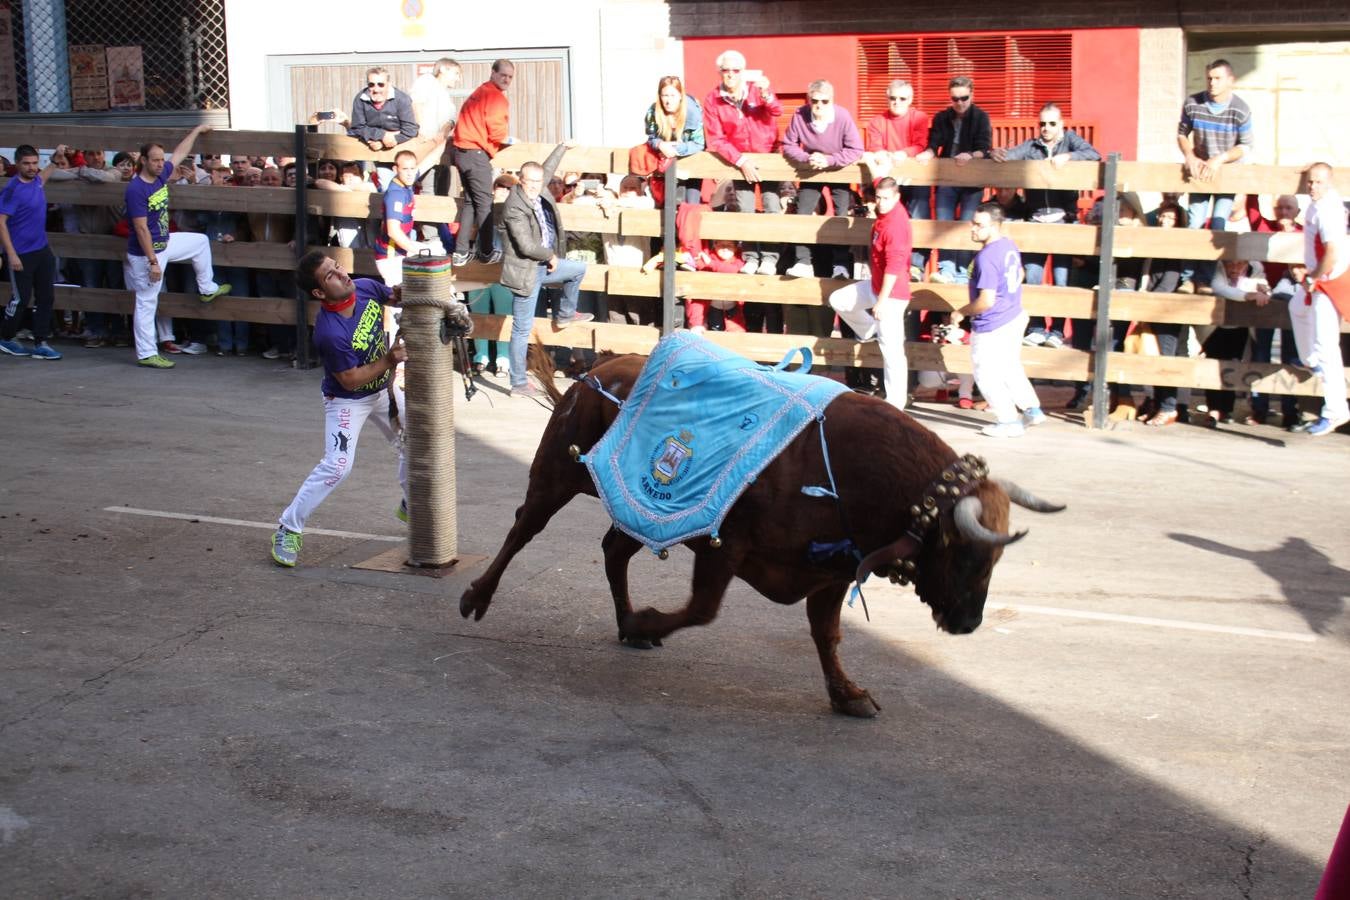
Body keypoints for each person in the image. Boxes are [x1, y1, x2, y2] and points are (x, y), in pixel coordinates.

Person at [270, 252, 408, 568]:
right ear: (319, 293)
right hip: (348, 401)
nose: (342, 274)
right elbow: (348, 380)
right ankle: (288, 527)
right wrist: (389, 360)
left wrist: (413, 286)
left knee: (418, 443)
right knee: (337, 466)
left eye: (338, 267)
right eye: (331, 275)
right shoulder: (330, 332)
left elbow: (396, 297)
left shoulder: (365, 288)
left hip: (383, 390)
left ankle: (410, 503)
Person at [990, 102, 1101, 345]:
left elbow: (1094, 154)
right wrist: (995, 153)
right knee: (1033, 278)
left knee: (1061, 282)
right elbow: (1008, 156)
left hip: (1063, 221)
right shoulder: (1032, 146)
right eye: (1042, 123)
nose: (1046, 128)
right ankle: (1038, 328)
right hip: (1036, 220)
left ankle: (1058, 332)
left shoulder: (1071, 141)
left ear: (1061, 124)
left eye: (1051, 123)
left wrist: (1069, 156)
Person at [123, 126, 231, 369]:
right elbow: (140, 229)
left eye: (162, 160)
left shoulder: (160, 176)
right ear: (143, 161)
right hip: (146, 253)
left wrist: (197, 130)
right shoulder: (136, 189)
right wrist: (152, 262)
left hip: (165, 242)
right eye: (155, 160)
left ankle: (206, 288)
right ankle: (147, 353)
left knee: (200, 242)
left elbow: (180, 153)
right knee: (146, 301)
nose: (161, 164)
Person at [499, 141, 594, 399]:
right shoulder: (515, 205)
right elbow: (526, 245)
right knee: (521, 328)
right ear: (520, 180)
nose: (534, 186)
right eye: (529, 181)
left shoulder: (538, 185)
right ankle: (518, 383)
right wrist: (550, 255)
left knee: (578, 270)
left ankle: (564, 314)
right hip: (526, 272)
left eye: (538, 181)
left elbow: (547, 168)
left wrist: (563, 147)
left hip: (542, 266)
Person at [950, 203, 1045, 437]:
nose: (972, 229)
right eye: (973, 223)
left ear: (993, 227)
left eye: (979, 225)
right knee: (1010, 366)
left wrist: (961, 312)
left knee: (985, 372)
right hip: (1014, 314)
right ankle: (1031, 409)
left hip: (993, 322)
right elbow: (1020, 273)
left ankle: (1008, 421)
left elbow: (986, 301)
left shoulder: (987, 257)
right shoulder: (1008, 245)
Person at [827, 176, 912, 409]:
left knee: (892, 350)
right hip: (875, 285)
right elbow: (879, 176)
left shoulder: (895, 226)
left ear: (897, 198)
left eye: (886, 199)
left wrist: (882, 302)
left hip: (892, 294)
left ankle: (896, 402)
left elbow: (894, 267)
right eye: (878, 198)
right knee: (839, 300)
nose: (881, 203)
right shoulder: (885, 213)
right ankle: (867, 329)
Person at [703, 49, 783, 279]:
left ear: (742, 72)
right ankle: (750, 257)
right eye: (725, 70)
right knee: (744, 209)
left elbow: (777, 110)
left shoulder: (757, 90)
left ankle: (769, 258)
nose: (730, 75)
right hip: (738, 159)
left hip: (767, 155)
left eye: (735, 70)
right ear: (719, 72)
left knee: (771, 207)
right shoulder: (713, 98)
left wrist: (766, 93)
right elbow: (716, 138)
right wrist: (740, 160)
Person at [1176, 59, 1253, 292]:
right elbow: (1181, 133)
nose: (1212, 82)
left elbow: (1246, 146)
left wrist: (1220, 159)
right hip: (1200, 171)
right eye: (1209, 77)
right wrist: (1189, 155)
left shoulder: (1240, 109)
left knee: (1218, 226)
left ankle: (1205, 280)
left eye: (1218, 78)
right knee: (1195, 222)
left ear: (1231, 81)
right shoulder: (1193, 103)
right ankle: (1187, 279)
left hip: (1225, 172)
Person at [782, 79, 864, 284]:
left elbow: (856, 149)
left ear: (832, 101)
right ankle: (803, 262)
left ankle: (841, 265)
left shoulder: (842, 116)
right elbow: (788, 144)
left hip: (838, 170)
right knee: (803, 212)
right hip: (811, 170)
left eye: (824, 101)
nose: (818, 105)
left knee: (841, 215)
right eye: (815, 100)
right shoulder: (800, 114)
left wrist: (830, 160)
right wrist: (806, 158)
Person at [1292, 162, 1350, 436]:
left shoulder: (1328, 211)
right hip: (1323, 277)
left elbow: (1332, 252)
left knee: (1326, 344)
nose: (1312, 187)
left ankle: (1336, 409)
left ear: (1329, 183)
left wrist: (1313, 276)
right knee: (1296, 307)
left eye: (1318, 182)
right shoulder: (1320, 202)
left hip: (1330, 280)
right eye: (1310, 182)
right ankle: (1310, 360)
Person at [917, 76, 992, 284]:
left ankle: (961, 273)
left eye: (964, 98)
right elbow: (935, 142)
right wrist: (929, 152)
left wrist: (971, 155)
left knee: (969, 224)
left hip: (973, 180)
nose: (959, 103)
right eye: (955, 99)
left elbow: (984, 147)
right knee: (944, 223)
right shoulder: (942, 117)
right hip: (948, 177)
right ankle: (947, 269)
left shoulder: (981, 117)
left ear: (972, 95)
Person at [0, 143, 69, 359]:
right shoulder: (12, 189)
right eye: (26, 164)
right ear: (17, 164)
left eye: (34, 163)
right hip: (20, 253)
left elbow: (47, 172)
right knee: (20, 298)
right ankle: (6, 336)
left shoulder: (37, 181)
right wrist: (11, 254)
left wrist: (57, 157)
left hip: (41, 249)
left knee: (46, 296)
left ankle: (41, 342)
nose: (31, 167)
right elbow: (1, 222)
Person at [863, 79, 931, 279]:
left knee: (918, 216)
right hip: (889, 182)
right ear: (887, 97)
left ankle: (916, 266)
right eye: (892, 98)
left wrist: (904, 153)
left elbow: (921, 144)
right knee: (887, 223)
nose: (897, 102)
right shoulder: (877, 121)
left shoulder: (919, 117)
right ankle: (883, 265)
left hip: (914, 178)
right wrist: (881, 153)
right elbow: (874, 147)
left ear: (910, 99)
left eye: (902, 98)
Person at [451, 59, 514, 266]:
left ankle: (461, 252)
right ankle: (486, 251)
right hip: (476, 154)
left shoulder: (480, 91)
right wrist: (508, 140)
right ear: (493, 73)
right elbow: (497, 130)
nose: (506, 79)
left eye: (510, 77)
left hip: (461, 152)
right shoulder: (496, 97)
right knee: (485, 204)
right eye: (503, 74)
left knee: (471, 202)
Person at [373, 149, 431, 289]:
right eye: (405, 169)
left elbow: (429, 161)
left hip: (400, 252)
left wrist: (445, 138)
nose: (410, 173)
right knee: (399, 300)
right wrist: (415, 249)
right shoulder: (396, 194)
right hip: (390, 256)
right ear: (395, 169)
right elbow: (393, 231)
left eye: (413, 168)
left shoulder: (406, 182)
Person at [644, 75, 705, 204]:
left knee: (690, 203)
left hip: (691, 158)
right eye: (665, 95)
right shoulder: (653, 112)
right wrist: (660, 144)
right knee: (671, 202)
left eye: (673, 95)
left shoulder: (693, 112)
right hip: (665, 163)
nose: (668, 100)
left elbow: (700, 143)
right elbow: (651, 137)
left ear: (680, 95)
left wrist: (675, 148)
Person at [348, 66, 418, 153]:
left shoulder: (402, 99)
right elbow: (357, 128)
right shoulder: (360, 99)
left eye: (381, 84)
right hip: (372, 146)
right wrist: (381, 135)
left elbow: (411, 130)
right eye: (371, 84)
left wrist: (387, 141)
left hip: (402, 148)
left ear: (389, 84)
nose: (376, 89)